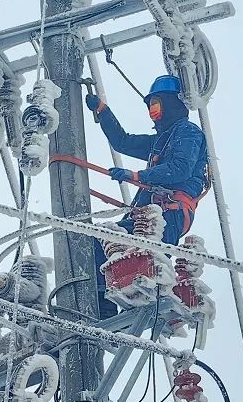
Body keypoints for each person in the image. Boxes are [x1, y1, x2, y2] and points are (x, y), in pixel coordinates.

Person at [85, 75, 208, 319]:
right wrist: (103, 111)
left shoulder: (188, 132)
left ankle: (104, 309)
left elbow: (180, 168)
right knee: (104, 245)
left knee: (102, 241)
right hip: (151, 214)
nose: (153, 113)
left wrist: (137, 174)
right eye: (151, 107)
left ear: (172, 103)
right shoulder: (159, 141)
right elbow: (123, 142)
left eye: (157, 106)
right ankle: (106, 306)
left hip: (167, 214)